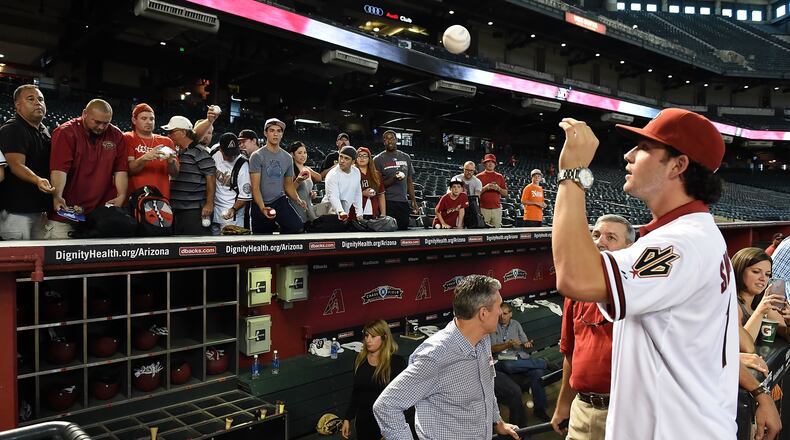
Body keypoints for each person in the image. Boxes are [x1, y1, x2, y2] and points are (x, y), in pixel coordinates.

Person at [551, 108, 738, 439]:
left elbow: (575, 278)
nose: (629, 154)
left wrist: (573, 174)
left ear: (678, 165)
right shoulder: (693, 233)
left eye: (645, 147)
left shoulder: (683, 242)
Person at [373, 275, 519, 440]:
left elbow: (486, 386)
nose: (501, 312)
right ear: (483, 314)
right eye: (499, 306)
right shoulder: (435, 356)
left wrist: (497, 422)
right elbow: (386, 406)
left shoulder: (483, 339)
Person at [550, 214, 635, 439]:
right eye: (596, 235)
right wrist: (563, 405)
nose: (600, 242)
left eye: (611, 237)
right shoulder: (576, 292)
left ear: (629, 247)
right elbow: (570, 354)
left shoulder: (640, 292)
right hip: (582, 410)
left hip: (625, 413)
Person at [50, 99, 128, 239]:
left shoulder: (116, 135)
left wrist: (121, 194)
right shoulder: (66, 132)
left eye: (106, 123)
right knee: (61, 256)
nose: (101, 127)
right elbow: (59, 169)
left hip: (98, 216)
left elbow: (120, 170)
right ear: (84, 114)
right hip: (67, 212)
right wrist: (57, 195)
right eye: (97, 122)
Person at [0, 84, 54, 240]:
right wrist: (37, 179)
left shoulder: (43, 130)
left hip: (38, 209)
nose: (38, 102)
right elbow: (15, 165)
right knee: (18, 261)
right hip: (17, 212)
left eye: (41, 99)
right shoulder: (12, 128)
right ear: (18, 105)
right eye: (31, 99)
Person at [342, 319, 408, 440]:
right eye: (366, 335)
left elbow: (402, 398)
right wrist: (347, 418)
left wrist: (390, 428)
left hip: (386, 423)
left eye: (373, 336)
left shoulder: (396, 363)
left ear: (384, 337)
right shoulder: (360, 360)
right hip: (363, 422)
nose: (368, 340)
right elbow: (356, 392)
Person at [490, 302, 550, 422]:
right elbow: (492, 348)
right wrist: (508, 344)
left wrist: (527, 343)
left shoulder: (516, 324)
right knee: (509, 365)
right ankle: (543, 363)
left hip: (519, 358)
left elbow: (524, 341)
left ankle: (540, 409)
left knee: (538, 373)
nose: (502, 316)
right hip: (502, 360)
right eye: (500, 314)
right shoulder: (493, 326)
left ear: (510, 314)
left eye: (505, 314)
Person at [248, 118, 306, 234]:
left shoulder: (287, 158)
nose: (275, 134)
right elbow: (255, 187)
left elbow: (288, 185)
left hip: (279, 201)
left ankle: (282, 246)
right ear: (265, 133)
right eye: (272, 130)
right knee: (262, 240)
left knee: (297, 227)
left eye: (279, 131)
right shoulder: (257, 156)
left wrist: (298, 199)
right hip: (261, 202)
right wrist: (262, 207)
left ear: (282, 134)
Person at [162, 113, 217, 235]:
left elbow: (211, 177)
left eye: (172, 132)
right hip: (176, 208)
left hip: (194, 210)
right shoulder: (176, 152)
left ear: (182, 132)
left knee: (195, 247)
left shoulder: (200, 152)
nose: (169, 135)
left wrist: (209, 204)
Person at [732, 248, 789, 342]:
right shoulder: (733, 304)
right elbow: (744, 346)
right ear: (739, 270)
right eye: (756, 272)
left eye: (767, 274)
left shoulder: (765, 302)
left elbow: (786, 335)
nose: (763, 278)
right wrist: (760, 311)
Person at [125, 103, 178, 198]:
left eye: (151, 119)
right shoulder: (128, 138)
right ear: (134, 120)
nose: (149, 122)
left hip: (161, 197)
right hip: (135, 198)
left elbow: (175, 173)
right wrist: (145, 158)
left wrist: (171, 162)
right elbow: (129, 171)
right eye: (144, 118)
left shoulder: (166, 141)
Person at [373, 130, 417, 231]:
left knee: (403, 230)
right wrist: (393, 178)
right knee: (388, 231)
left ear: (396, 140)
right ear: (384, 141)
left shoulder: (406, 157)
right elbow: (378, 186)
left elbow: (409, 181)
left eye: (392, 138)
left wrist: (414, 201)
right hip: (387, 202)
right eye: (386, 139)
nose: (390, 141)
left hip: (403, 202)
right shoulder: (378, 159)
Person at [211, 133, 252, 235]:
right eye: (228, 153)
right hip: (213, 210)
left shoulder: (243, 165)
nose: (232, 156)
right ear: (221, 149)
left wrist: (233, 209)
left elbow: (244, 196)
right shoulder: (214, 155)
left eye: (234, 153)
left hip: (232, 214)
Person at [322, 146, 363, 221]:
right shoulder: (332, 174)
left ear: (353, 162)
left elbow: (357, 193)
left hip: (344, 213)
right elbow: (333, 196)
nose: (342, 161)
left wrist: (359, 213)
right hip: (328, 213)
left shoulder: (356, 172)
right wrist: (340, 211)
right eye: (341, 157)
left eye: (346, 158)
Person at [288, 141, 321, 223]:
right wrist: (298, 180)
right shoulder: (290, 169)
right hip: (296, 207)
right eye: (299, 153)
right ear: (292, 154)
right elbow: (288, 191)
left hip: (308, 207)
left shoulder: (307, 169)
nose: (303, 155)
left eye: (305, 152)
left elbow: (319, 178)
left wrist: (312, 194)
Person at [476, 154, 507, 228]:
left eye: (492, 162)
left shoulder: (499, 176)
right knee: (483, 232)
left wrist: (498, 188)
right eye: (488, 162)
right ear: (485, 164)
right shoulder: (478, 177)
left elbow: (505, 194)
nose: (490, 163)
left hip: (497, 209)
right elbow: (475, 194)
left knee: (496, 233)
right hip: (483, 209)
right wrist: (485, 188)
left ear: (495, 164)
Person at [355, 146, 385, 218]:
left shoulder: (376, 174)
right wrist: (362, 193)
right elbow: (347, 194)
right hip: (356, 212)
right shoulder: (351, 173)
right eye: (359, 156)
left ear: (369, 159)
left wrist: (383, 213)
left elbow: (381, 194)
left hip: (373, 212)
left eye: (365, 156)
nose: (362, 158)